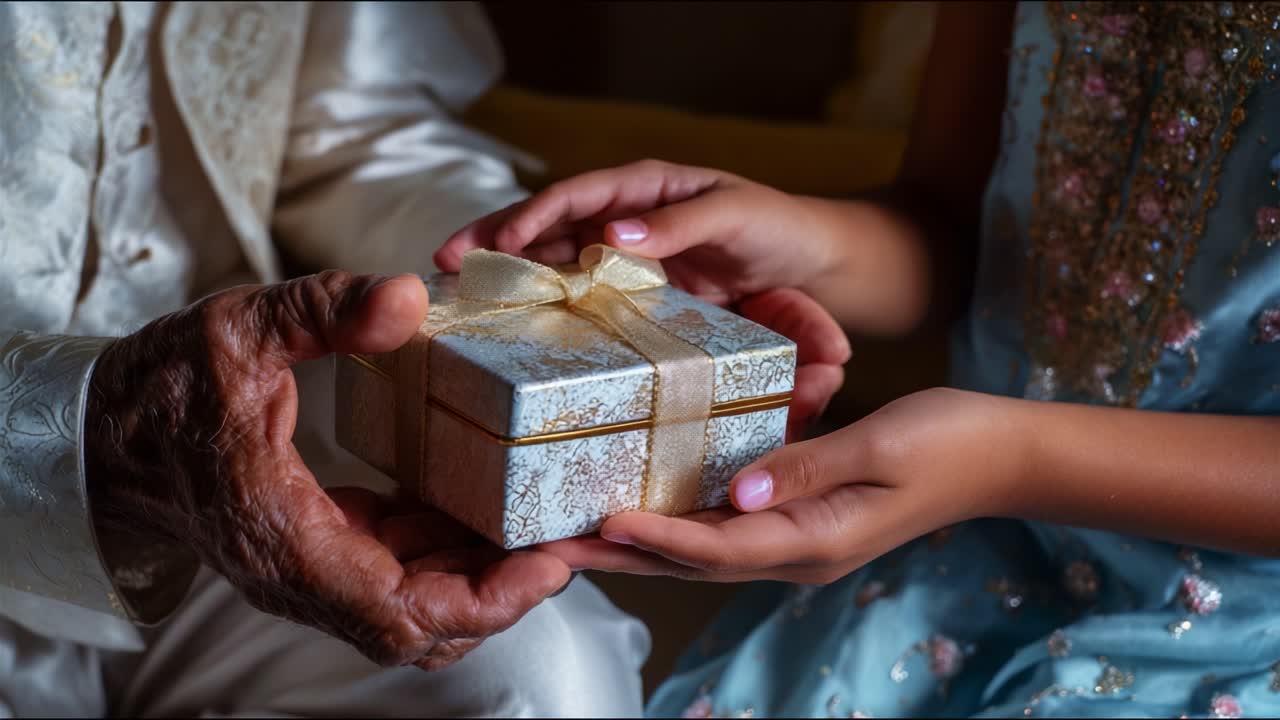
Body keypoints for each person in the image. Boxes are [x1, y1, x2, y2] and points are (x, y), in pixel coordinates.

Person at [439, 1, 1280, 716]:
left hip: (1235, 630)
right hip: (976, 556)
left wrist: (1006, 459)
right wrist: (806, 242)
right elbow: (957, 229)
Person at [0, 2, 649, 716]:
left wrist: (512, 277)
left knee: (543, 679)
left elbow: (354, 134)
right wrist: (79, 426)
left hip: (246, 492)